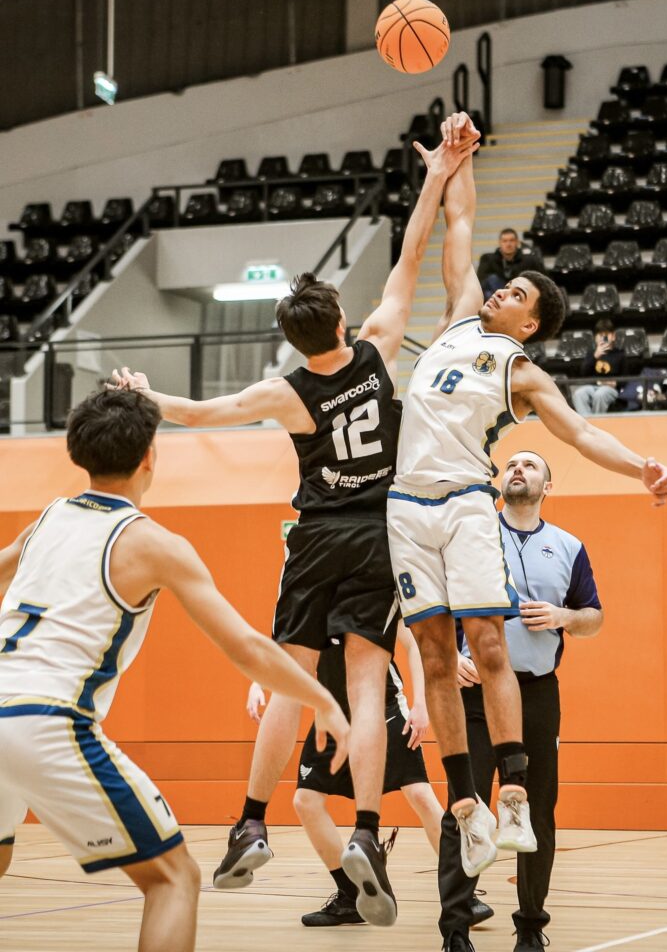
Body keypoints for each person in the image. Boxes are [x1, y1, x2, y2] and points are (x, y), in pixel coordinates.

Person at [113, 132, 478, 928]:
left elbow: (198, 413)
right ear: (342, 323)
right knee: (366, 682)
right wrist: (437, 177)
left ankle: (250, 822)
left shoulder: (285, 394)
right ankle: (368, 830)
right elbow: (412, 253)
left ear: (296, 342)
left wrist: (142, 393)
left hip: (313, 536)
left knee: (289, 676)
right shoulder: (377, 350)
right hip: (378, 531)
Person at [387, 111, 667, 884]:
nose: (500, 290)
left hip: (462, 501)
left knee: (486, 646)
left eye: (514, 293)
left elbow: (579, 434)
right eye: (504, 283)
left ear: (530, 322)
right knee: (436, 658)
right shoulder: (457, 315)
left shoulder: (522, 372)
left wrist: (638, 466)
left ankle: (511, 789)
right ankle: (465, 806)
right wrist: (458, 156)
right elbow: (460, 221)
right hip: (404, 505)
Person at [0, 388, 349, 952]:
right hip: (47, 721)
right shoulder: (153, 543)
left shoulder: (48, 518)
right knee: (174, 878)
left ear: (76, 451)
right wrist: (324, 700)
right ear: (149, 457)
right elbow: (247, 648)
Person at [439, 450, 603, 952]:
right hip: (474, 694)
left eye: (531, 466)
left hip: (537, 695)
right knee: (463, 809)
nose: (518, 470)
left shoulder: (569, 546)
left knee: (537, 810)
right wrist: (450, 656)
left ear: (547, 487)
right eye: (512, 463)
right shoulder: (472, 535)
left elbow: (594, 617)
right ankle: (455, 930)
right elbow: (434, 607)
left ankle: (530, 926)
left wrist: (564, 617)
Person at [248, 620, 492, 928]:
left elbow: (414, 643)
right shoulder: (309, 599)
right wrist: (258, 683)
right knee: (305, 801)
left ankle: (463, 895)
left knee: (419, 793)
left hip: (383, 706)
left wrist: (420, 704)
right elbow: (285, 648)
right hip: (333, 714)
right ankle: (351, 896)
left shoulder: (373, 595)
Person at [572, 318, 626, 416]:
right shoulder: (591, 353)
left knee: (600, 395)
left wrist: (615, 383)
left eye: (606, 335)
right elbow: (583, 373)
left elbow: (625, 378)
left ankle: (597, 422)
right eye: (600, 335)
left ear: (613, 336)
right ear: (595, 338)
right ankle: (587, 421)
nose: (603, 338)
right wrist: (595, 356)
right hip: (593, 386)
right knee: (578, 394)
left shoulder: (620, 354)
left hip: (610, 389)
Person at [477, 228, 543, 300]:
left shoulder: (529, 260)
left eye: (512, 240)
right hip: (496, 296)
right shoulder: (488, 259)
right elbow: (481, 283)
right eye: (505, 241)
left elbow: (542, 280)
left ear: (517, 242)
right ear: (500, 243)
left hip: (520, 295)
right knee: (492, 279)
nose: (508, 244)